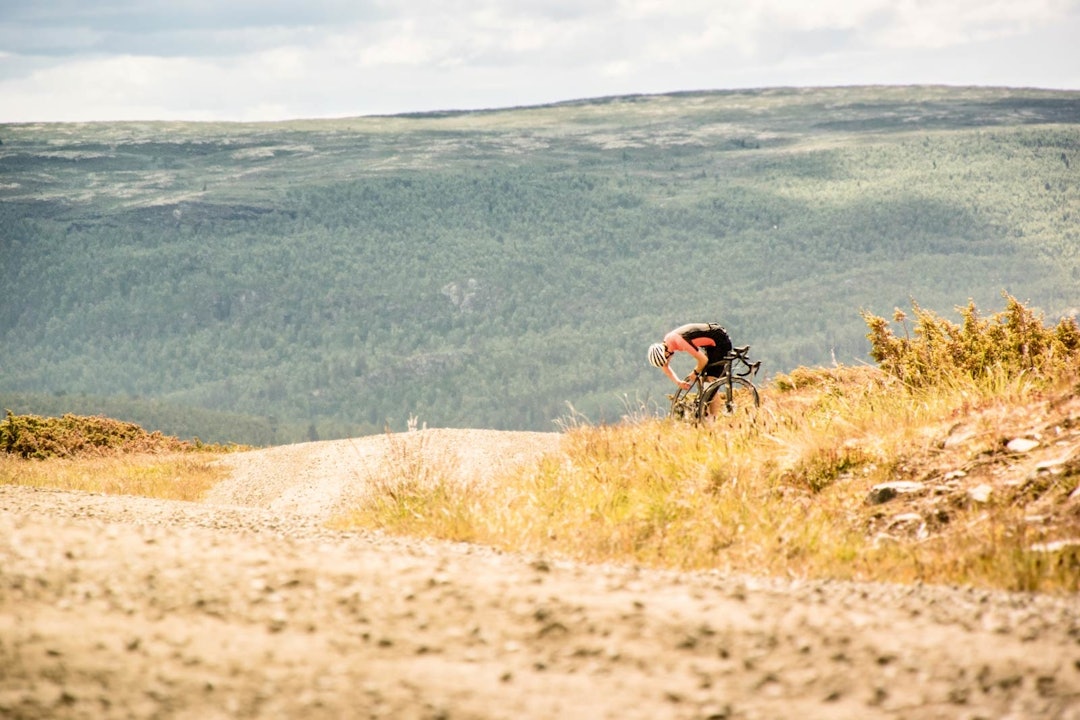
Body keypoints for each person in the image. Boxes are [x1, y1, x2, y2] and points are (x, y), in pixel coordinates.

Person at [647, 322, 733, 390]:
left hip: (720, 339)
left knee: (710, 384)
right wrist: (678, 383)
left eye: (666, 360)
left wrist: (695, 372)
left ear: (666, 354)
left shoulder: (680, 341)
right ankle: (705, 410)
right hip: (710, 343)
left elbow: (703, 360)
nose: (667, 362)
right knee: (705, 383)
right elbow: (665, 367)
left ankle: (713, 413)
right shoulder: (667, 342)